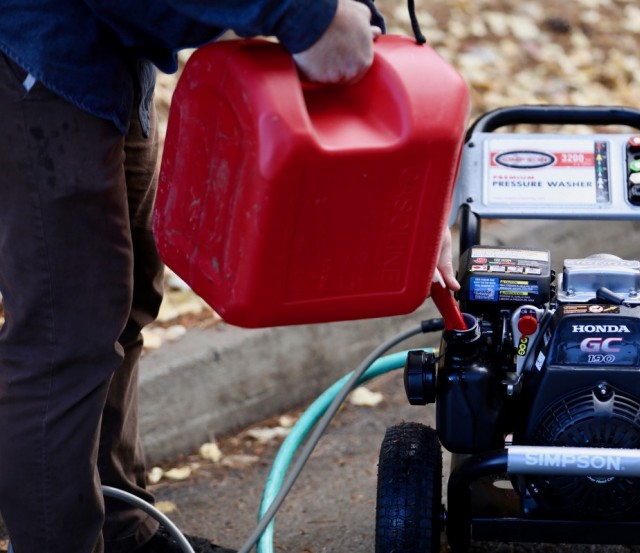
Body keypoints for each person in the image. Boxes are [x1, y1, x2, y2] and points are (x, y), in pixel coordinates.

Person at [0, 1, 464, 552]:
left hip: (109, 47)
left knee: (126, 301)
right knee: (65, 338)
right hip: (34, 44)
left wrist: (415, 194)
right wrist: (302, 13)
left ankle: (123, 531)